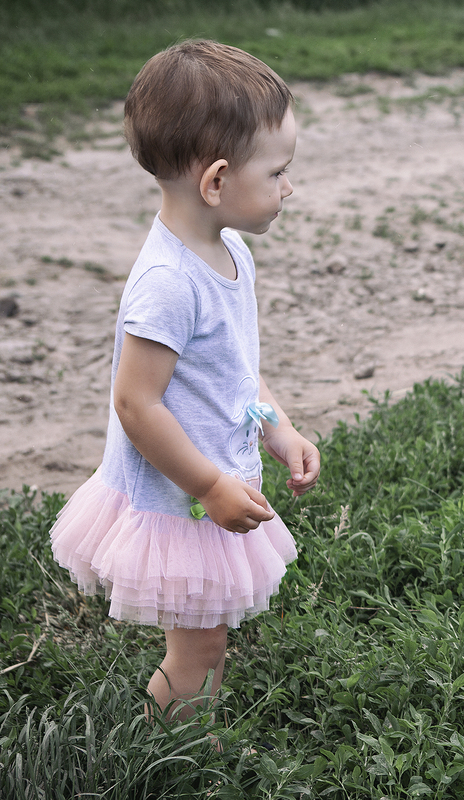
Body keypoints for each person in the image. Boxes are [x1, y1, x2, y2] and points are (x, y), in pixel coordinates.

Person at [49, 39, 320, 724]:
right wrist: (208, 485)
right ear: (218, 182)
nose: (290, 188)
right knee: (197, 653)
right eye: (280, 172)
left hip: (209, 482)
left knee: (208, 642)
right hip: (180, 501)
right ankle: (171, 756)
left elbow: (233, 371)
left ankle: (192, 738)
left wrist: (276, 428)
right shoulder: (168, 283)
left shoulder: (228, 250)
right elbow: (136, 405)